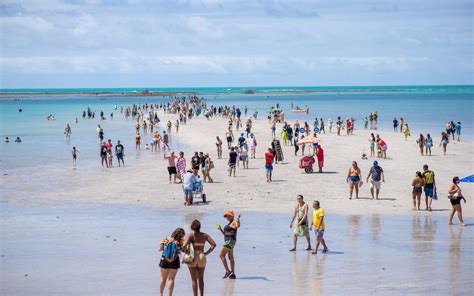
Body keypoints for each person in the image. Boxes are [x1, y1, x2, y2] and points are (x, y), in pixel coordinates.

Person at [183, 220, 216, 296]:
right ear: (199, 227)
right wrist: (206, 253)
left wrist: (185, 251)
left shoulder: (190, 235)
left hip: (192, 255)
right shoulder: (205, 235)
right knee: (201, 279)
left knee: (194, 280)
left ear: (192, 227)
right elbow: (213, 245)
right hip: (201, 255)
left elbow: (184, 246)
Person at [159, 228, 186, 296]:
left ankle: (160, 294)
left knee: (163, 278)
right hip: (174, 261)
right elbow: (184, 250)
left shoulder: (168, 238)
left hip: (164, 259)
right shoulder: (181, 241)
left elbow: (160, 248)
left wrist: (164, 248)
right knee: (171, 279)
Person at [218, 211, 241, 279]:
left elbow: (238, 226)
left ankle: (227, 271)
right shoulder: (229, 223)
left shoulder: (234, 222)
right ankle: (233, 274)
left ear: (232, 216)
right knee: (230, 257)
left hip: (230, 241)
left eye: (228, 216)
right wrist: (220, 229)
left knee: (221, 255)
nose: (227, 217)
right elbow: (225, 235)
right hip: (229, 241)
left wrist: (238, 218)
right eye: (226, 216)